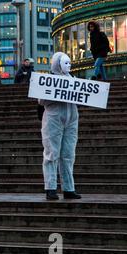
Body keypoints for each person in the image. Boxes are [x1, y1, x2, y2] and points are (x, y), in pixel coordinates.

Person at [39, 52, 81, 201]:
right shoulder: (49, 80)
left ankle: (69, 188)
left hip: (71, 118)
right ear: (58, 64)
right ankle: (50, 188)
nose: (68, 66)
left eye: (70, 63)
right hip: (54, 117)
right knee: (51, 153)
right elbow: (41, 99)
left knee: (68, 154)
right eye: (65, 63)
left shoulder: (74, 80)